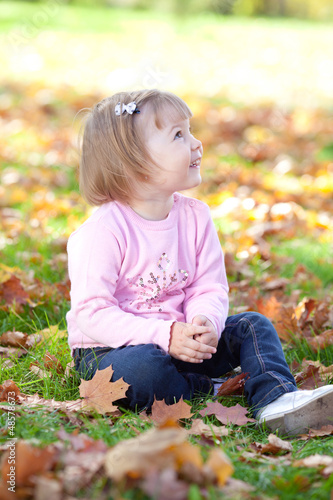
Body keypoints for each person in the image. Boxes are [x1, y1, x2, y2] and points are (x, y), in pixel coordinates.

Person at [67, 89, 333, 436]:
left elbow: (208, 285)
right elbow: (92, 313)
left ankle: (276, 399)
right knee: (146, 370)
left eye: (190, 131)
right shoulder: (104, 230)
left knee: (252, 326)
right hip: (112, 350)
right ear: (133, 160)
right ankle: (203, 387)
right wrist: (164, 334)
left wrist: (204, 320)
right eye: (179, 135)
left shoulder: (194, 216)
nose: (197, 144)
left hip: (184, 340)